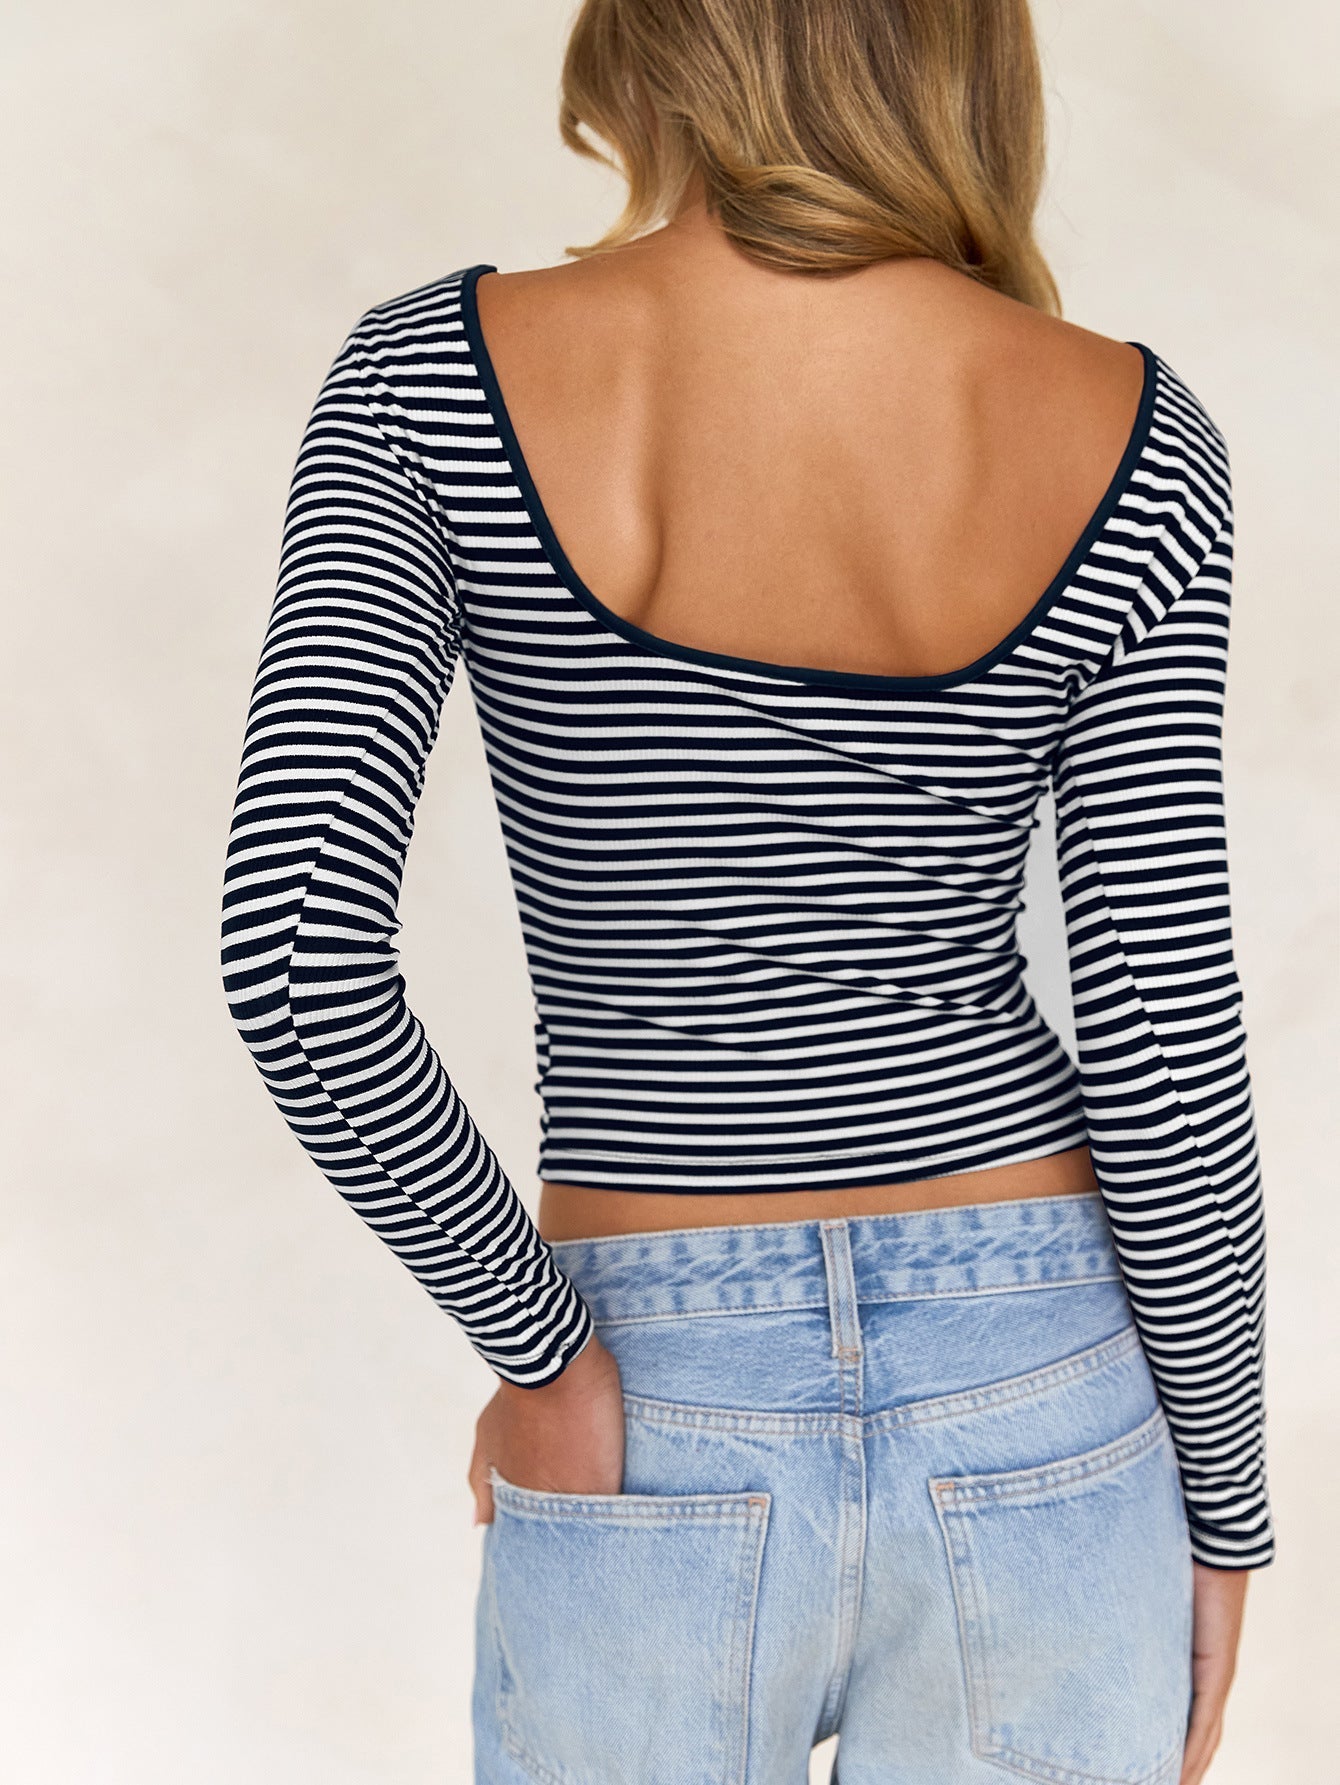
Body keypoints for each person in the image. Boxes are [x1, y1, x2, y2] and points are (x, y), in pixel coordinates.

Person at [221, 1, 1272, 1778]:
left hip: (653, 1382)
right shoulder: (1132, 429)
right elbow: (1164, 1038)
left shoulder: (432, 381)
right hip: (1044, 1377)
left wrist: (546, 1352)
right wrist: (1223, 1504)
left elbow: (297, 963)